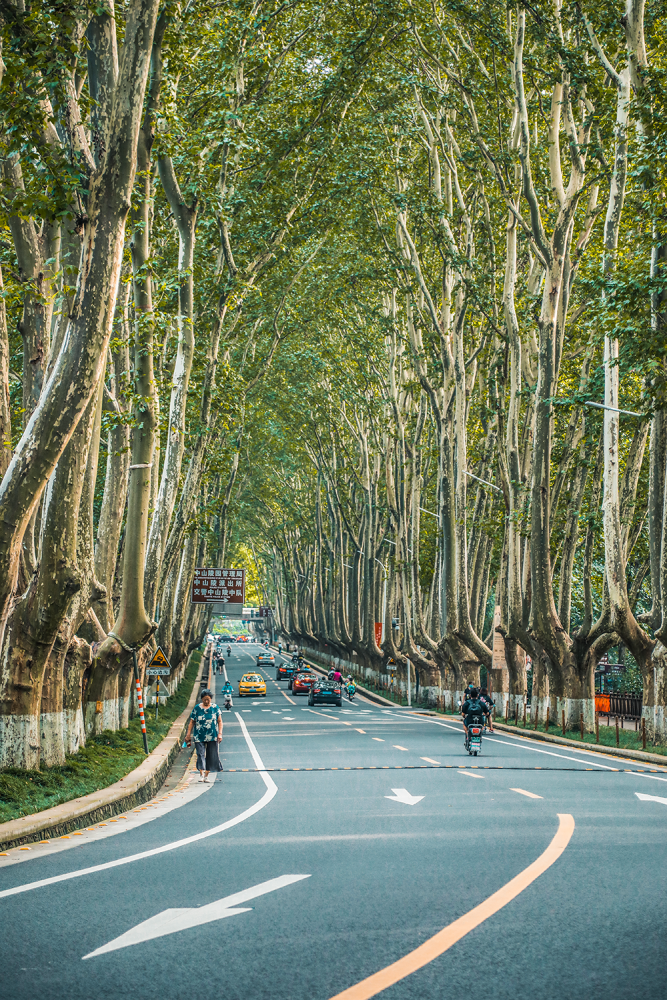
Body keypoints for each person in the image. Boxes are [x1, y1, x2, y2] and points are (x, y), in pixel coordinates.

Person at [185, 688, 223, 782]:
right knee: (200, 754)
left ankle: (206, 775)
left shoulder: (215, 708)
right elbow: (192, 722)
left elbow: (220, 721)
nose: (206, 701)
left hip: (212, 736)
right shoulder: (197, 708)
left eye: (208, 699)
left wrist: (220, 734)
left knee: (211, 755)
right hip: (199, 736)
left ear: (211, 699)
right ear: (202, 699)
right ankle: (201, 774)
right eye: (204, 699)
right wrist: (188, 734)